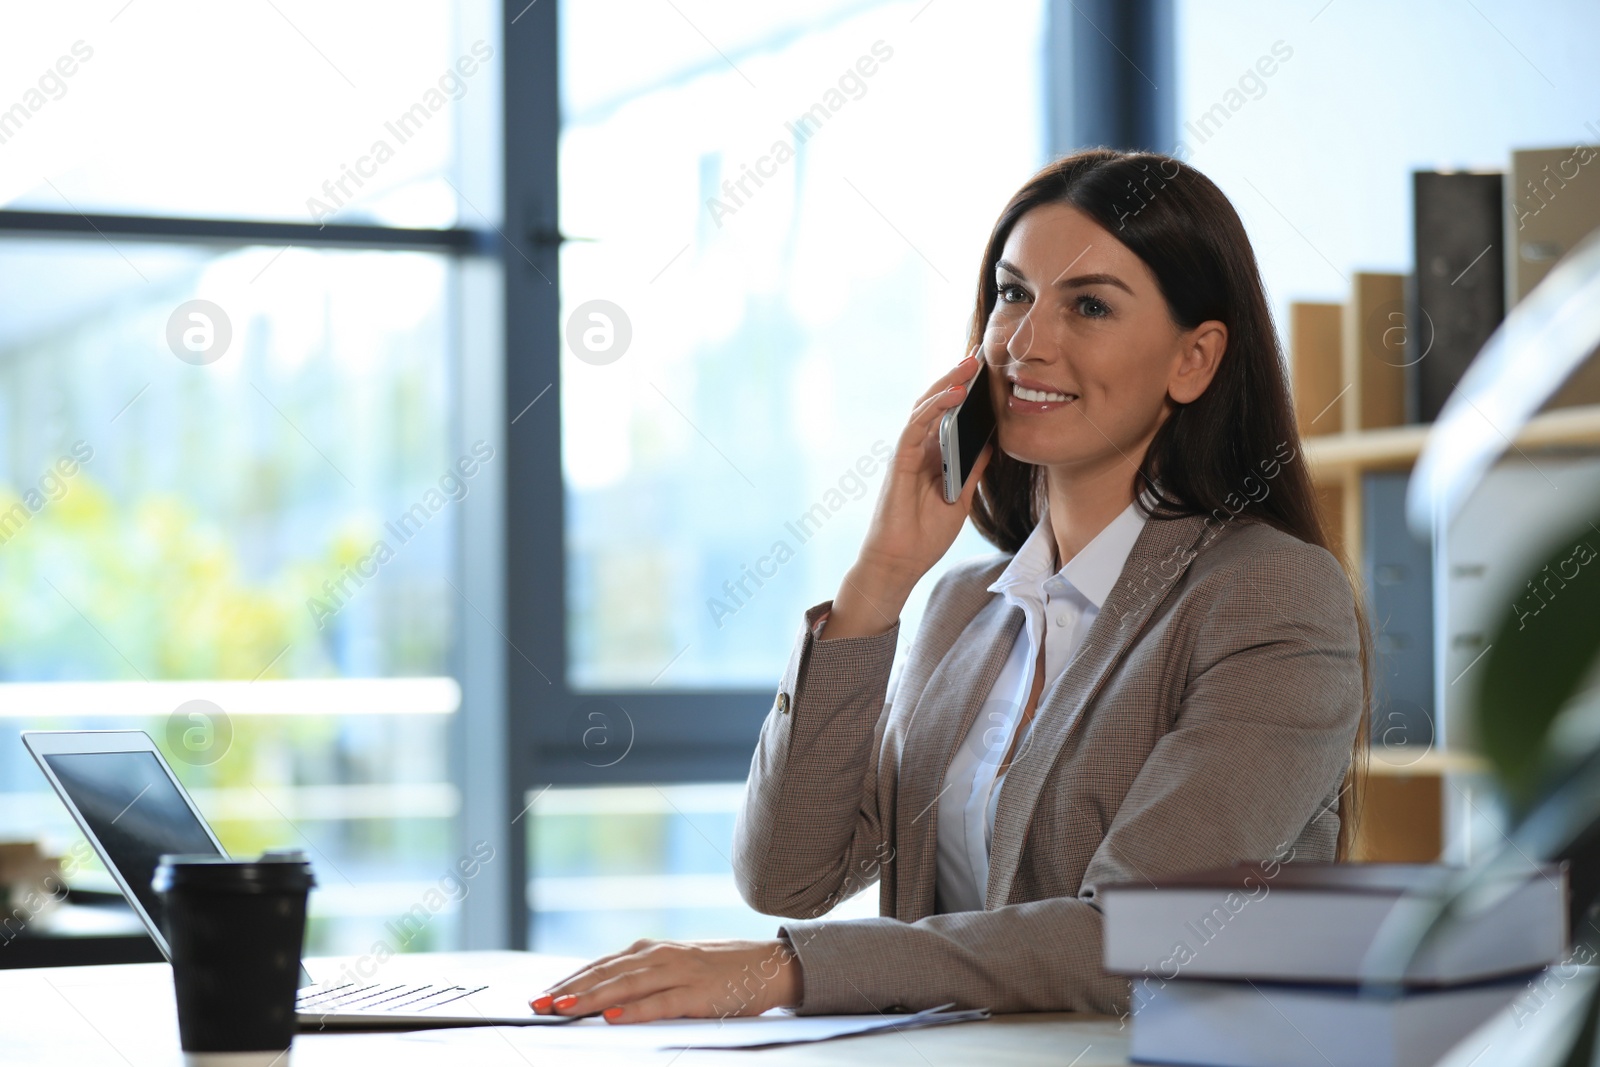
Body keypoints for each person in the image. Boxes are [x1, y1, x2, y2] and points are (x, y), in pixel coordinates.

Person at [531, 148, 1371, 1023]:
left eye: (1088, 305)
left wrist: (785, 972)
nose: (1026, 343)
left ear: (1193, 360)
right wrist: (881, 578)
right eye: (1012, 295)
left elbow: (1141, 939)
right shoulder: (964, 606)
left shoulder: (1270, 596)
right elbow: (788, 874)